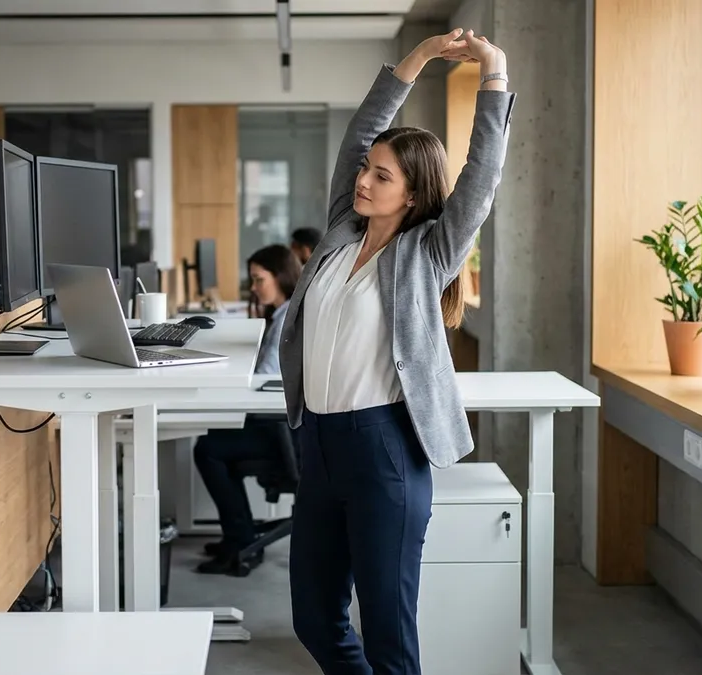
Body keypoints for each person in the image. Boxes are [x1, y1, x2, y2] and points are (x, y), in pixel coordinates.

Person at [278, 29, 514, 674]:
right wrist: (418, 60)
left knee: (387, 628)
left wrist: (493, 73)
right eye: (364, 169)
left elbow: (481, 175)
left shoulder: (429, 252)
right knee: (315, 620)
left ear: (410, 194)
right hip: (319, 445)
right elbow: (362, 131)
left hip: (383, 448)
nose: (363, 179)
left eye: (380, 176)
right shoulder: (337, 232)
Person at [192, 244, 301, 576]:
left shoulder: (288, 320)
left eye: (259, 279)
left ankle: (240, 541)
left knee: (208, 450)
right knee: (213, 440)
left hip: (286, 432)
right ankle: (236, 536)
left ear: (280, 277)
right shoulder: (284, 312)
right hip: (281, 424)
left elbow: (264, 379)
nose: (254, 288)